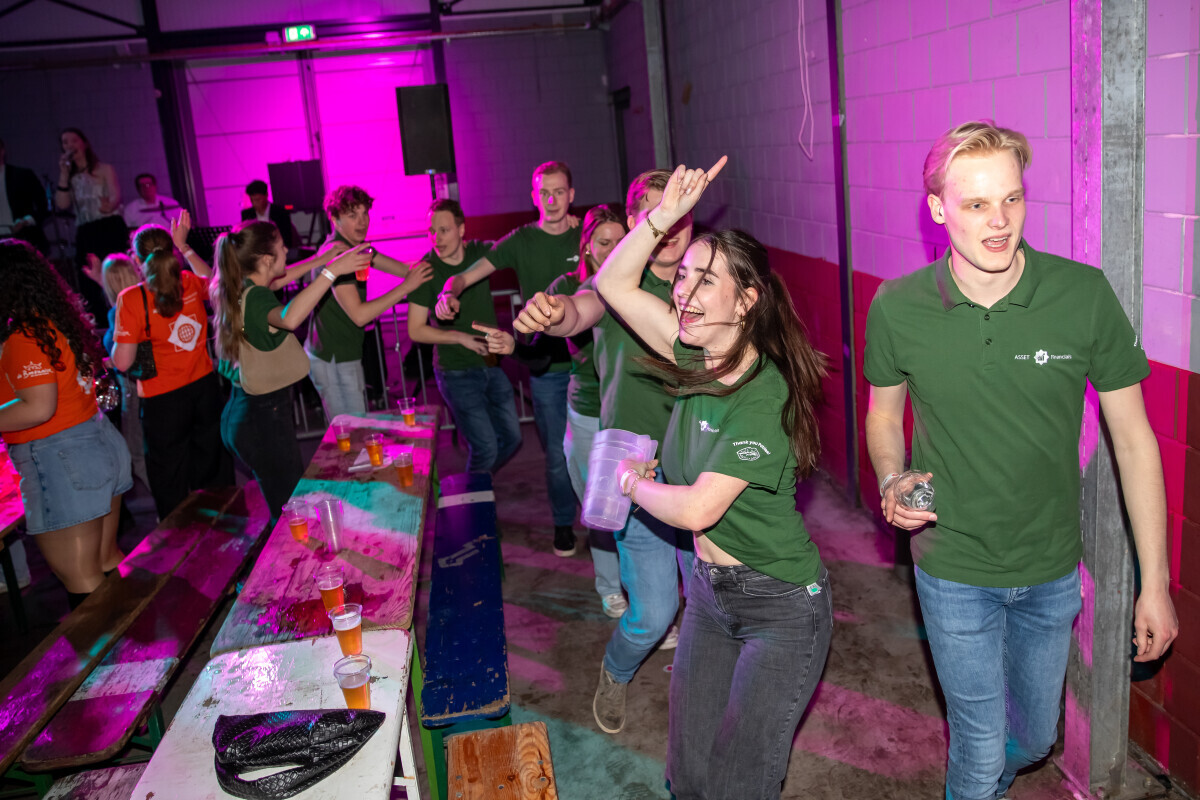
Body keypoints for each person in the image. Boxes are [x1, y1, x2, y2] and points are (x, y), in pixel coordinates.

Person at [863, 121, 1179, 800]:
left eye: (1012, 198)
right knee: (978, 748)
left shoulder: (1082, 295)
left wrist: (1155, 582)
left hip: (1049, 567)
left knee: (1033, 740)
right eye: (977, 204)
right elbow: (883, 415)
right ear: (938, 208)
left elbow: (1135, 441)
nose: (1000, 221)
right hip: (952, 564)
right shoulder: (898, 306)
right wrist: (893, 476)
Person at [590, 158, 832, 799]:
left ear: (746, 300)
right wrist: (662, 216)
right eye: (683, 277)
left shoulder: (764, 393)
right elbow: (612, 282)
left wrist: (631, 484)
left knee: (739, 779)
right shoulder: (693, 351)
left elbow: (699, 510)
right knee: (689, 771)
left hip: (781, 604)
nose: (684, 293)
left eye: (706, 281)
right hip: (709, 591)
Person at [511, 169, 697, 732]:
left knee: (712, 600)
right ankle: (615, 671)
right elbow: (579, 308)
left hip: (699, 472)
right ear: (638, 221)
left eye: (679, 214)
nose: (670, 228)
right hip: (637, 474)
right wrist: (554, 315)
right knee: (655, 614)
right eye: (656, 214)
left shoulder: (704, 283)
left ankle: (700, 680)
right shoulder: (616, 284)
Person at [436, 161, 582, 556]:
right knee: (557, 456)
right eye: (544, 193)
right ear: (534, 197)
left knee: (602, 450)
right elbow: (465, 275)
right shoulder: (522, 240)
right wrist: (448, 292)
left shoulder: (587, 235)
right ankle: (563, 524)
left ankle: (608, 525)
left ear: (571, 195)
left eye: (559, 192)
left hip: (592, 365)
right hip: (547, 369)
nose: (552, 200)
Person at [0, 239, 131, 608]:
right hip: (95, 442)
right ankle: (133, 640)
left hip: (62, 457)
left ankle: (112, 647)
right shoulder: (55, 322)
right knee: (104, 560)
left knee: (82, 577)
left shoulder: (25, 336)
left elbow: (39, 408)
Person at [211, 221, 368, 517]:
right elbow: (289, 318)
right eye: (282, 246)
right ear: (266, 259)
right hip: (262, 418)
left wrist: (321, 260)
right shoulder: (256, 297)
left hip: (247, 412)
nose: (287, 250)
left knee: (286, 504)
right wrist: (331, 271)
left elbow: (278, 282)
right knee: (291, 512)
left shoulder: (244, 285)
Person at [110, 224, 231, 520]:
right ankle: (223, 530)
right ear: (172, 252)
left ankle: (181, 538)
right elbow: (215, 282)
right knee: (213, 470)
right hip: (204, 389)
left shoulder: (132, 298)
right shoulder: (188, 282)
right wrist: (186, 248)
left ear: (137, 260)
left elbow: (123, 362)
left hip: (162, 400)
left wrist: (112, 352)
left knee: (170, 481)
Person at [546, 204, 628, 613]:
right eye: (603, 242)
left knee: (636, 508)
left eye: (620, 242)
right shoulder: (569, 285)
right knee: (600, 509)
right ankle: (610, 586)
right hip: (587, 412)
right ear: (587, 246)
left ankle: (643, 589)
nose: (612, 250)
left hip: (628, 412)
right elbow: (562, 316)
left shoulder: (637, 284)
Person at [407, 199, 521, 474]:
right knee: (485, 448)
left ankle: (479, 484)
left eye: (444, 230)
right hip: (455, 371)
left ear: (461, 230)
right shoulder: (425, 270)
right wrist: (460, 337)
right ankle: (474, 494)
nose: (436, 237)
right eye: (431, 231)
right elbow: (415, 329)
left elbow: (518, 245)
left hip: (491, 363)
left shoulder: (480, 252)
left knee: (513, 438)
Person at [306, 185, 432, 420]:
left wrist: (438, 264)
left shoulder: (358, 248)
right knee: (351, 431)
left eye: (365, 213)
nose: (362, 221)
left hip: (341, 354)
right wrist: (406, 287)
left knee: (355, 429)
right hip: (333, 358)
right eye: (352, 215)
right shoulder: (339, 254)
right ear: (334, 219)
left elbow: (404, 269)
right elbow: (360, 315)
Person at [54, 128, 126, 325]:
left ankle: (125, 312)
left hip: (108, 226)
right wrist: (63, 174)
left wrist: (109, 204)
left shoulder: (104, 169)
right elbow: (62, 204)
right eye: (65, 142)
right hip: (86, 229)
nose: (70, 146)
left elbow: (115, 196)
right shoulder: (70, 177)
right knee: (88, 275)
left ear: (83, 143)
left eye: (73, 141)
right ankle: (101, 321)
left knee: (114, 271)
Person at [0, 136, 49, 253]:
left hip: (22, 238)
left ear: (2, 151)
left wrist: (25, 221)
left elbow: (43, 205)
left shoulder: (21, 175)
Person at [241, 179, 296, 250]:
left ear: (266, 195)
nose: (255, 203)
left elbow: (287, 238)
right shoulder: (247, 214)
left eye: (258, 199)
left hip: (277, 249)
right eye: (252, 200)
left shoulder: (280, 212)